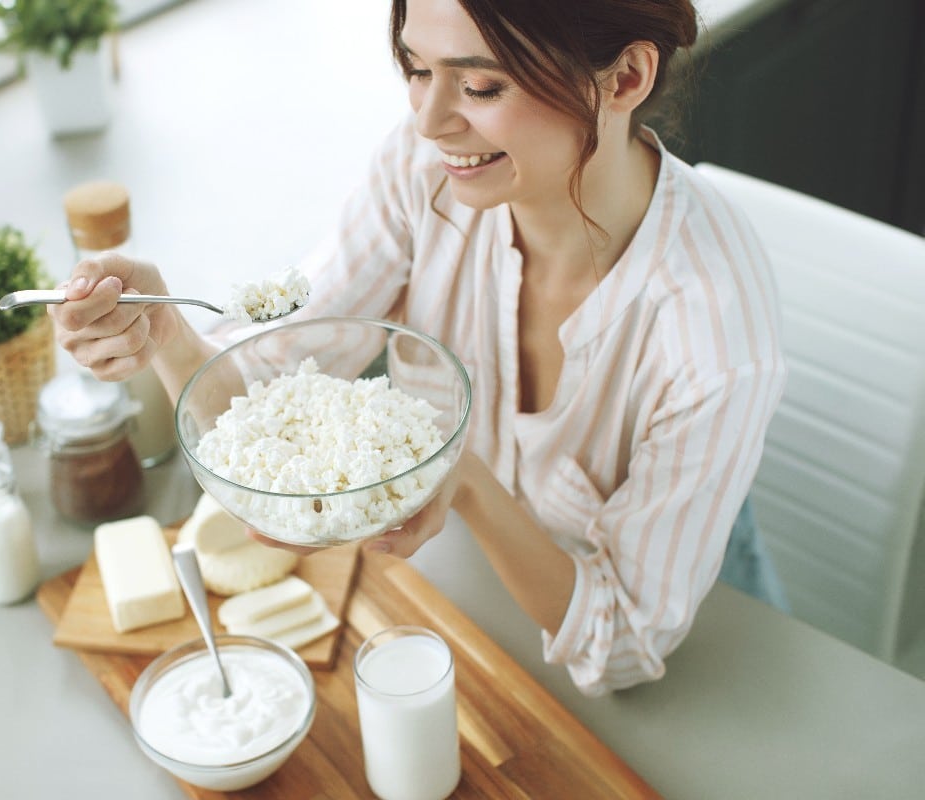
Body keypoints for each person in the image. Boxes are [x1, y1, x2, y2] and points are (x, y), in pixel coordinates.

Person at [49, 0, 787, 696]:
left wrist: (458, 480)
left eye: (480, 85)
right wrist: (167, 334)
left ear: (625, 78)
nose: (431, 120)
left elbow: (621, 640)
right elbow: (256, 394)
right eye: (415, 69)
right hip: (467, 592)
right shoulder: (422, 175)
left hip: (684, 630)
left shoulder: (712, 334)